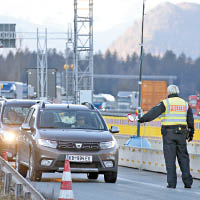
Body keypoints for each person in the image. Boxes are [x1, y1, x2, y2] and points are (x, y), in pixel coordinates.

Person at [137, 84, 194, 189]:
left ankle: (172, 184)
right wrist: (191, 134)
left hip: (169, 134)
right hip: (182, 134)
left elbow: (153, 113)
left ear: (168, 92)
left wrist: (142, 119)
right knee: (184, 158)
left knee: (170, 159)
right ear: (177, 92)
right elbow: (190, 120)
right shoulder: (185, 104)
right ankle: (188, 182)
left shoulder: (166, 103)